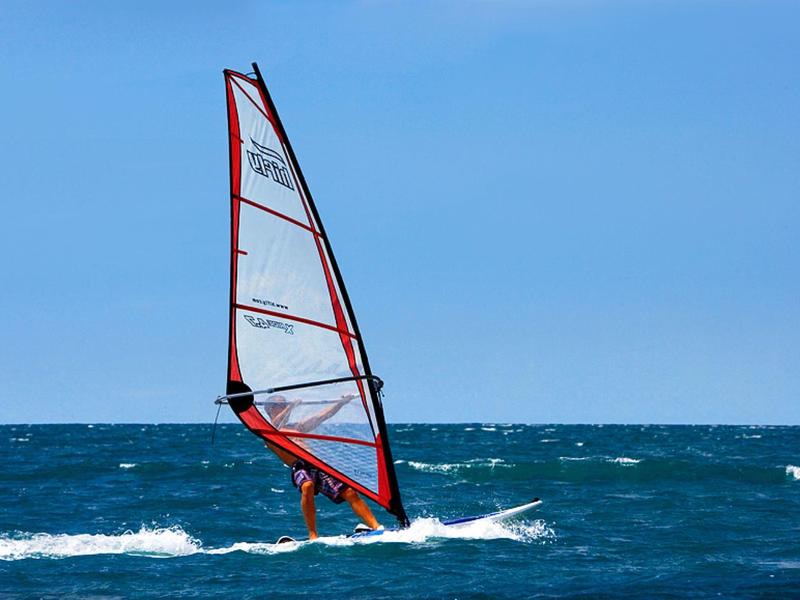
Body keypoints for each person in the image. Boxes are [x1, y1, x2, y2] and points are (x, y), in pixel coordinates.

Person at [262, 394, 381, 540]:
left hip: (317, 464)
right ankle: (313, 534)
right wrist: (291, 406)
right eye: (280, 405)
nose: (284, 406)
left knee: (349, 492)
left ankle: (377, 527)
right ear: (269, 410)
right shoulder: (267, 432)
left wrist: (341, 402)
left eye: (284, 404)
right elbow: (275, 425)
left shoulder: (297, 427)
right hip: (300, 467)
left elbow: (323, 416)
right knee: (307, 485)